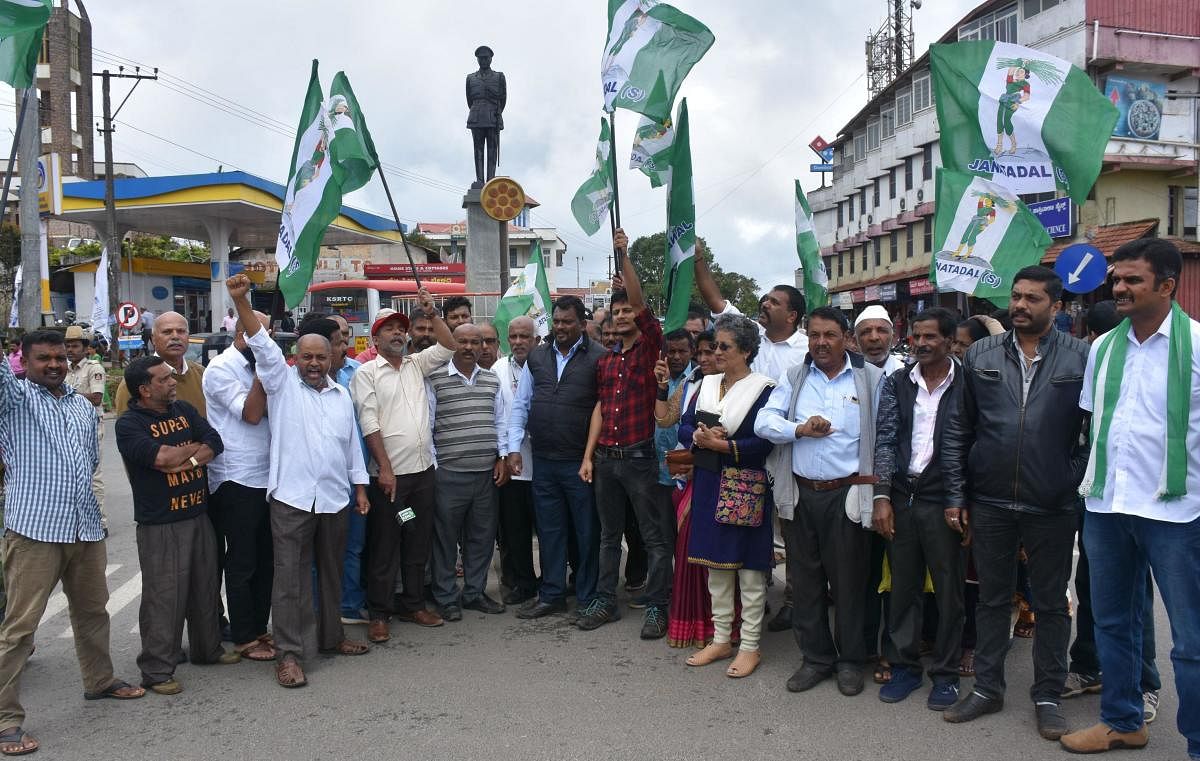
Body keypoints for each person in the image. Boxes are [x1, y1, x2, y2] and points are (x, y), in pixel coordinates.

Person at [1061, 239, 1200, 758]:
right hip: (1108, 507)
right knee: (1112, 622)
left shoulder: (1197, 345)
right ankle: (1123, 720)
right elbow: (1097, 425)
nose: (1118, 287)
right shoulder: (1102, 348)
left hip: (1178, 513)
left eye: (1132, 280)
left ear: (1167, 285)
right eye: (1116, 279)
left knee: (1191, 641)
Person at [941, 265, 1089, 741]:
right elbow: (960, 428)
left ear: (1057, 306)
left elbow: (1096, 430)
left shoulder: (1082, 357)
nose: (1020, 305)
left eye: (1032, 299)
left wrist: (1072, 477)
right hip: (990, 500)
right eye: (1016, 296)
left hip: (1052, 503)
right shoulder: (982, 352)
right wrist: (958, 493)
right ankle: (987, 689)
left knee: (1050, 604)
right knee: (991, 599)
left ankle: (1048, 694)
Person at [0, 330, 144, 757]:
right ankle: (6, 721)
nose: (54, 365)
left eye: (60, 357)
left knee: (93, 612)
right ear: (23, 362)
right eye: (43, 358)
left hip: (85, 528)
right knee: (20, 629)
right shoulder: (15, 401)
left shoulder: (83, 407)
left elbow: (90, 464)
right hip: (35, 531)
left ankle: (99, 681)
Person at [227, 275, 370, 689]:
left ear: (330, 360)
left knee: (330, 573)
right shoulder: (283, 384)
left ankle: (332, 637)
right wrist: (241, 301)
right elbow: (262, 346)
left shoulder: (341, 396)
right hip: (291, 500)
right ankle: (289, 654)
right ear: (296, 357)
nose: (312, 363)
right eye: (305, 356)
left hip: (334, 499)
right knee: (289, 580)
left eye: (320, 357)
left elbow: (349, 450)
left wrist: (359, 489)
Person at [754, 307, 886, 696]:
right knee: (806, 583)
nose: (821, 343)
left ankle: (850, 661)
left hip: (848, 495)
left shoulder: (871, 379)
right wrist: (799, 429)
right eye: (814, 335)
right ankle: (815, 659)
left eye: (830, 335)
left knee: (849, 584)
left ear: (846, 338)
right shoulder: (795, 376)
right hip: (800, 494)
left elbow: (884, 438)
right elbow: (765, 422)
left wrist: (881, 494)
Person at [695, 245, 809, 633]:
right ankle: (731, 628)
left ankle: (793, 602)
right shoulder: (745, 338)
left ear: (792, 315)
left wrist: (725, 445)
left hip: (788, 453)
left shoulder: (807, 349)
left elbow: (772, 427)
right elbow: (715, 300)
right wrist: (698, 260)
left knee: (787, 536)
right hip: (730, 469)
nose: (764, 303)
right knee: (731, 556)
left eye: (774, 301)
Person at [1062, 300, 1162, 722]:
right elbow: (1081, 427)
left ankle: (1145, 684)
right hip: (1093, 493)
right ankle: (1088, 666)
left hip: (1144, 499)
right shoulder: (1096, 362)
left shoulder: (1168, 360)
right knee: (1093, 586)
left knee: (1135, 594)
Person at [115, 356, 239, 695]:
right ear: (144, 389)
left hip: (198, 514)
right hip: (161, 523)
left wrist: (191, 457)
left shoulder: (183, 409)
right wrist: (185, 453)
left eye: (172, 377)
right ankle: (156, 670)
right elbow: (161, 459)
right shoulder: (129, 424)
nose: (173, 382)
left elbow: (214, 440)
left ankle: (207, 649)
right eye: (164, 379)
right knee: (164, 598)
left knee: (205, 588)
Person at [580, 231, 673, 639]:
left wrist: (625, 256)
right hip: (606, 459)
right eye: (615, 312)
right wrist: (588, 456)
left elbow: (638, 302)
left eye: (626, 311)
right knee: (607, 535)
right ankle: (605, 600)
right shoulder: (606, 361)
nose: (621, 316)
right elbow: (600, 409)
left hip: (639, 458)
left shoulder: (652, 349)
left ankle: (657, 605)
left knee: (654, 536)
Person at [871, 308, 965, 710]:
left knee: (949, 592)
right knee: (903, 589)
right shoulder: (897, 382)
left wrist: (963, 501)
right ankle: (905, 667)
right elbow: (886, 440)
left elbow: (972, 446)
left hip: (946, 501)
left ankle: (945, 674)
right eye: (916, 337)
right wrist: (881, 496)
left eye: (931, 337)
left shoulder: (969, 384)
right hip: (903, 496)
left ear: (949, 341)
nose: (922, 344)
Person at [350, 300, 457, 639]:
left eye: (400, 328)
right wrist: (384, 468)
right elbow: (369, 422)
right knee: (385, 544)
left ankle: (413, 605)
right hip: (390, 477)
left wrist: (432, 313)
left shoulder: (415, 364)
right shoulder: (366, 373)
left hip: (423, 473)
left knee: (416, 539)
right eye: (388, 329)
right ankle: (379, 612)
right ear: (375, 338)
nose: (397, 333)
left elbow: (449, 344)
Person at [679, 315, 776, 678]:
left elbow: (765, 440)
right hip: (708, 482)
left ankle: (749, 645)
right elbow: (685, 424)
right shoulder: (707, 383)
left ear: (747, 351)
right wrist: (700, 436)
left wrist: (724, 444)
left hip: (744, 485)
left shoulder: (764, 389)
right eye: (715, 346)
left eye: (724, 347)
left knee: (750, 571)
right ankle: (721, 638)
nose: (715, 352)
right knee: (715, 567)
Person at [506, 295, 604, 619]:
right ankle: (552, 594)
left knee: (586, 532)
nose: (560, 327)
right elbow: (521, 403)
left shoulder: (599, 357)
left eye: (567, 322)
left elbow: (601, 409)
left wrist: (589, 456)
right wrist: (513, 447)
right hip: (544, 460)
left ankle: (588, 597)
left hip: (580, 462)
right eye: (557, 321)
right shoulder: (537, 356)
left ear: (582, 323)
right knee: (549, 531)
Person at [202, 309, 276, 661]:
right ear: (240, 335)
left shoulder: (268, 364)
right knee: (243, 559)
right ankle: (244, 634)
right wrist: (263, 371)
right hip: (235, 476)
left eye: (267, 334)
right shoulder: (220, 369)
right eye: (256, 334)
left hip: (268, 476)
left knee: (267, 558)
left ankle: (260, 627)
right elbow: (250, 413)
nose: (263, 341)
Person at [429, 323, 509, 620]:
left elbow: (499, 422)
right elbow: (428, 425)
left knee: (482, 538)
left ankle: (474, 592)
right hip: (449, 475)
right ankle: (446, 597)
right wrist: (436, 469)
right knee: (445, 540)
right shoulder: (436, 378)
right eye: (462, 341)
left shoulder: (491, 380)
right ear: (453, 344)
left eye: (476, 342)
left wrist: (501, 456)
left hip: (486, 475)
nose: (470, 347)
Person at [657, 330, 718, 648]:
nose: (706, 359)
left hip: (723, 477)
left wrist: (710, 441)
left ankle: (723, 629)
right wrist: (662, 389)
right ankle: (692, 624)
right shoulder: (692, 383)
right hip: (688, 477)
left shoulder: (744, 385)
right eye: (703, 354)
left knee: (718, 558)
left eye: (714, 351)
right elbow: (668, 421)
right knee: (687, 554)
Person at [493, 316, 539, 605]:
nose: (519, 342)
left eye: (525, 336)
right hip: (513, 466)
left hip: (545, 463)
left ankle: (553, 581)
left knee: (549, 530)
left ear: (535, 338)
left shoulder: (546, 364)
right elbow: (496, 417)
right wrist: (502, 455)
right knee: (516, 531)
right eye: (513, 337)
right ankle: (523, 584)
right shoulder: (497, 370)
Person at [115, 311, 205, 416]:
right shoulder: (135, 381)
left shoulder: (202, 374)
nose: (175, 336)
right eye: (167, 332)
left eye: (181, 331)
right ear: (153, 339)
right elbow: (127, 428)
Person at [64, 325, 109, 531]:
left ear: (85, 348)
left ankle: (100, 521)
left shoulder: (93, 368)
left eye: (75, 346)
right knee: (72, 475)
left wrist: (66, 395)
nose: (71, 350)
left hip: (91, 426)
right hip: (67, 427)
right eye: (68, 346)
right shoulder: (64, 369)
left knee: (93, 476)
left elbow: (96, 398)